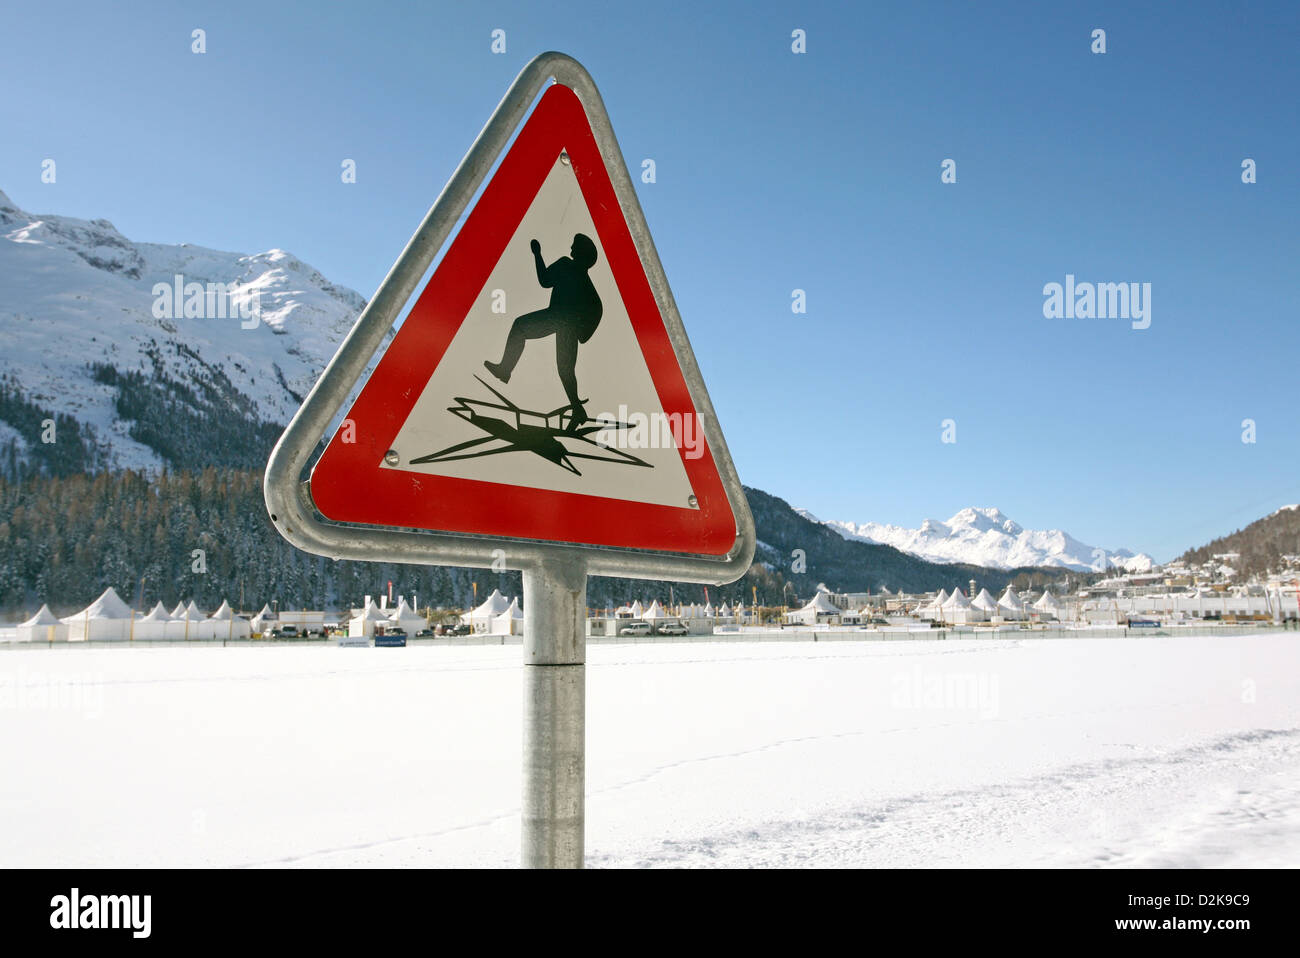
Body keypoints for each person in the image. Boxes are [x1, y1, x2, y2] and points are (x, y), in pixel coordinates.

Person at [484, 234, 602, 428]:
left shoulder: (567, 265)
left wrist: (537, 254)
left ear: (580, 252)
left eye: (574, 247)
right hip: (568, 326)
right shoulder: (583, 277)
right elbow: (597, 307)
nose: (570, 249)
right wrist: (582, 332)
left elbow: (545, 280)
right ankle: (578, 409)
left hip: (557, 318)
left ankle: (505, 369)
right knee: (565, 370)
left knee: (520, 326)